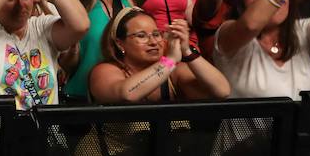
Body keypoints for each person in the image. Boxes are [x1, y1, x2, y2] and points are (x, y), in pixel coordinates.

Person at [88, 13, 230, 102]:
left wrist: (187, 51)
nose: (153, 42)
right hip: (112, 151)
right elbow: (128, 94)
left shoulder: (173, 73)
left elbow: (222, 91)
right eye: (141, 36)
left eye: (156, 34)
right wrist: (169, 61)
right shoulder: (105, 70)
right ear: (120, 43)